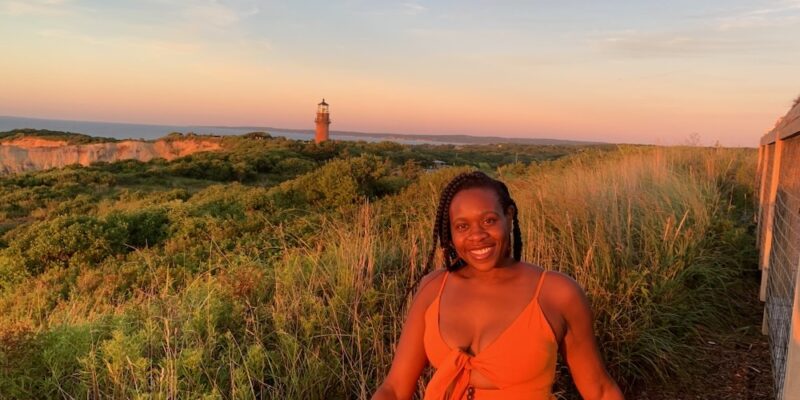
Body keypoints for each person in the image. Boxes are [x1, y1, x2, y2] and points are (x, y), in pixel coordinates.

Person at [372, 171, 624, 400]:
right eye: (462, 226)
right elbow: (394, 389)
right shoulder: (433, 288)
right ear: (450, 233)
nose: (477, 235)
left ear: (509, 216)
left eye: (489, 221)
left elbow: (600, 391)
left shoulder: (557, 294)